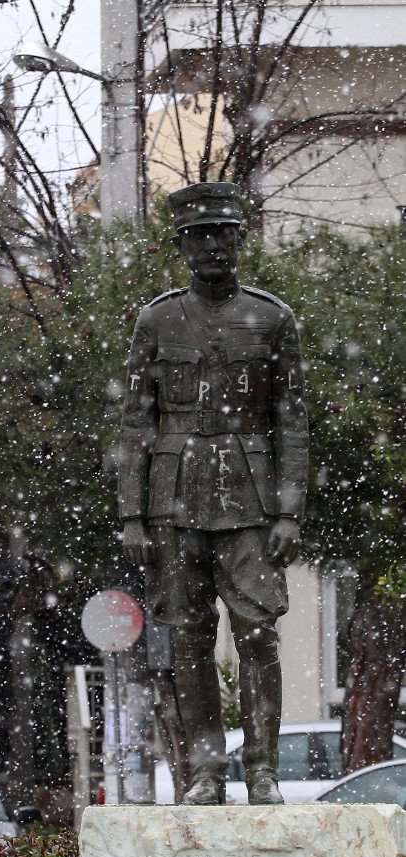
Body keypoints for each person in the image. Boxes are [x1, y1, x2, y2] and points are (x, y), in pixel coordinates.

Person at [118, 182, 308, 806]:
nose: (213, 248)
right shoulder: (157, 320)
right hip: (173, 502)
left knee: (257, 634)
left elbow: (291, 420)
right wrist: (132, 515)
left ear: (239, 240)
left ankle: (263, 771)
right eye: (200, 237)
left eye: (223, 235)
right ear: (182, 246)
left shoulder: (272, 318)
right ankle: (205, 772)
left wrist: (289, 511)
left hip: (250, 500)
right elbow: (136, 423)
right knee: (189, 638)